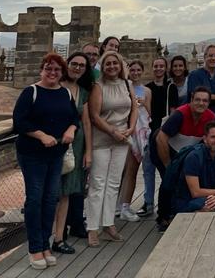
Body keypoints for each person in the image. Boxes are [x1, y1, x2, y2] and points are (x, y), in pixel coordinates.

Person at [13, 53, 79, 269]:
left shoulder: (65, 93)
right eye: (48, 69)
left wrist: (71, 129)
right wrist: (41, 135)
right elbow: (19, 121)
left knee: (50, 199)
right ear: (41, 70)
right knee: (34, 200)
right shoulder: (30, 92)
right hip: (32, 154)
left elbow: (74, 118)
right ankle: (35, 249)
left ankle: (46, 245)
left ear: (62, 73)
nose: (52, 73)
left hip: (56, 154)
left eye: (57, 70)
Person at [86, 51, 136, 247]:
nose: (112, 66)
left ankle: (108, 224)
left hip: (122, 138)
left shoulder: (127, 84)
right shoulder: (98, 86)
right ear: (102, 66)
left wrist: (130, 129)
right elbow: (94, 115)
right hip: (103, 138)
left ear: (121, 65)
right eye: (108, 64)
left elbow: (133, 108)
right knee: (98, 183)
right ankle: (92, 227)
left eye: (115, 63)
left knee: (114, 182)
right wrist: (113, 132)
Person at [153, 86, 215, 227]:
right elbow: (161, 138)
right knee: (168, 180)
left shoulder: (211, 117)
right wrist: (168, 164)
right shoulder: (180, 114)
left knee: (182, 182)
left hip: (184, 150)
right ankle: (163, 218)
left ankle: (178, 213)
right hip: (164, 147)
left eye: (205, 101)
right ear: (191, 100)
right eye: (198, 100)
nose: (201, 103)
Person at [52, 52, 93, 255]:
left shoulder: (83, 91)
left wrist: (88, 151)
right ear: (67, 65)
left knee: (67, 191)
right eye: (74, 64)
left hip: (75, 146)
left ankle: (59, 237)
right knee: (51, 191)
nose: (77, 68)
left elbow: (86, 122)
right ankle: (48, 236)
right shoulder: (55, 85)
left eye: (82, 66)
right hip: (53, 144)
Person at [172, 121, 215, 213]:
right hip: (188, 201)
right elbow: (195, 192)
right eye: (213, 137)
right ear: (205, 139)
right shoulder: (194, 157)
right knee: (209, 205)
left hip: (208, 197)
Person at [118, 61, 152, 222]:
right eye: (133, 69)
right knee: (120, 171)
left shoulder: (147, 91)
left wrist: (144, 104)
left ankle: (125, 205)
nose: (136, 72)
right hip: (124, 130)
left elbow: (149, 113)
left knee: (132, 170)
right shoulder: (123, 87)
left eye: (139, 69)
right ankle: (117, 205)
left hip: (139, 132)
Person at [187, 44, 215, 117]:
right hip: (198, 117)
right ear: (204, 57)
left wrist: (208, 97)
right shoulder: (195, 75)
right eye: (210, 55)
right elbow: (195, 97)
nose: (213, 58)